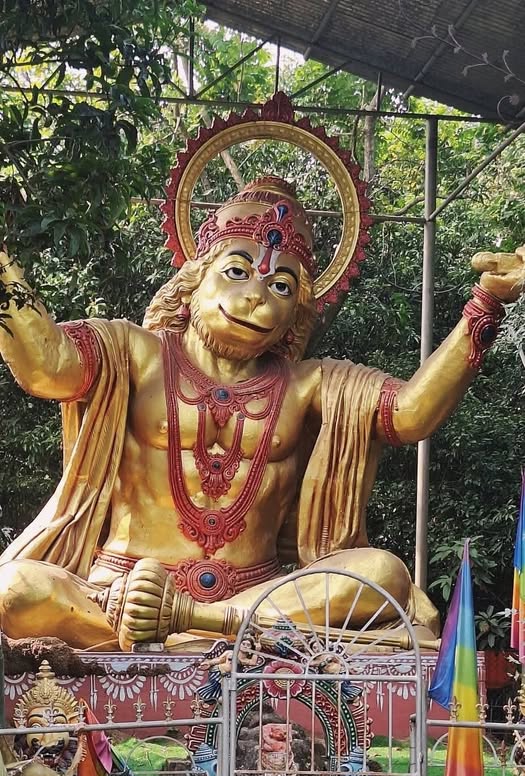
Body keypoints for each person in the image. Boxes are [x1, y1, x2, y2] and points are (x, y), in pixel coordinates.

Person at [0, 178, 523, 653]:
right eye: (236, 272)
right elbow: (47, 366)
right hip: (122, 594)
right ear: (195, 278)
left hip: (254, 597)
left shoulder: (307, 383)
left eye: (281, 287)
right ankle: (201, 634)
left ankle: (194, 625)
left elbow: (408, 414)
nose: (256, 297)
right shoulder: (133, 351)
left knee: (381, 573)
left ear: (296, 312)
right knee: (16, 590)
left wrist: (487, 304)